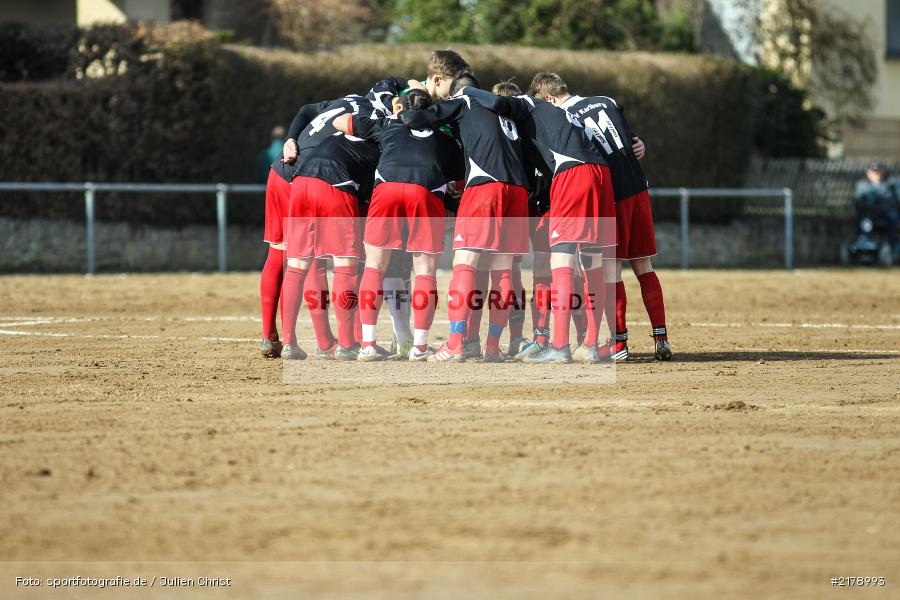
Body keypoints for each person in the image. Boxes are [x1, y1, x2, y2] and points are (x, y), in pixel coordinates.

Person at [461, 81, 616, 364]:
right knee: (592, 262)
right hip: (599, 173)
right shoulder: (558, 118)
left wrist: (464, 91)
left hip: (573, 174)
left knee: (561, 263)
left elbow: (498, 104)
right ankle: (590, 344)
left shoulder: (528, 104)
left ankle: (558, 345)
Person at [529, 72, 672, 361]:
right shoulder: (607, 100)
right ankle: (661, 338)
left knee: (610, 269)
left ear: (548, 99)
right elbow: (627, 139)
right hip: (639, 188)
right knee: (644, 264)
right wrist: (640, 141)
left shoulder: (565, 115)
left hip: (611, 192)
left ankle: (618, 343)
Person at [400, 73, 531, 362]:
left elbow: (414, 120)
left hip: (486, 188)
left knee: (464, 266)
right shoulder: (502, 108)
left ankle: (456, 343)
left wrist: (410, 97)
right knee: (503, 270)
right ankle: (493, 347)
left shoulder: (462, 100)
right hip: (518, 190)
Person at [332, 88, 465, 361]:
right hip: (425, 189)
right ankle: (419, 346)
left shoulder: (389, 125)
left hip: (388, 186)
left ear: (400, 108)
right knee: (425, 269)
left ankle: (367, 344)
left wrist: (389, 117)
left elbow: (340, 120)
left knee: (374, 266)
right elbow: (458, 180)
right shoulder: (446, 140)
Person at [279, 94, 381, 361]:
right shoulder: (384, 140)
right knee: (346, 266)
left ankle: (288, 342)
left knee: (296, 266)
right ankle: (347, 344)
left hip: (300, 181)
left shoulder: (341, 132)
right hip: (335, 185)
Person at [854, 161, 898, 253]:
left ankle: (892, 245)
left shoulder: (890, 184)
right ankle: (860, 240)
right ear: (868, 173)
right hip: (868, 214)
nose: (876, 174)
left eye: (878, 172)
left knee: (892, 218)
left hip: (884, 213)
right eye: (873, 172)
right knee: (862, 221)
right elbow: (858, 200)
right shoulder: (862, 185)